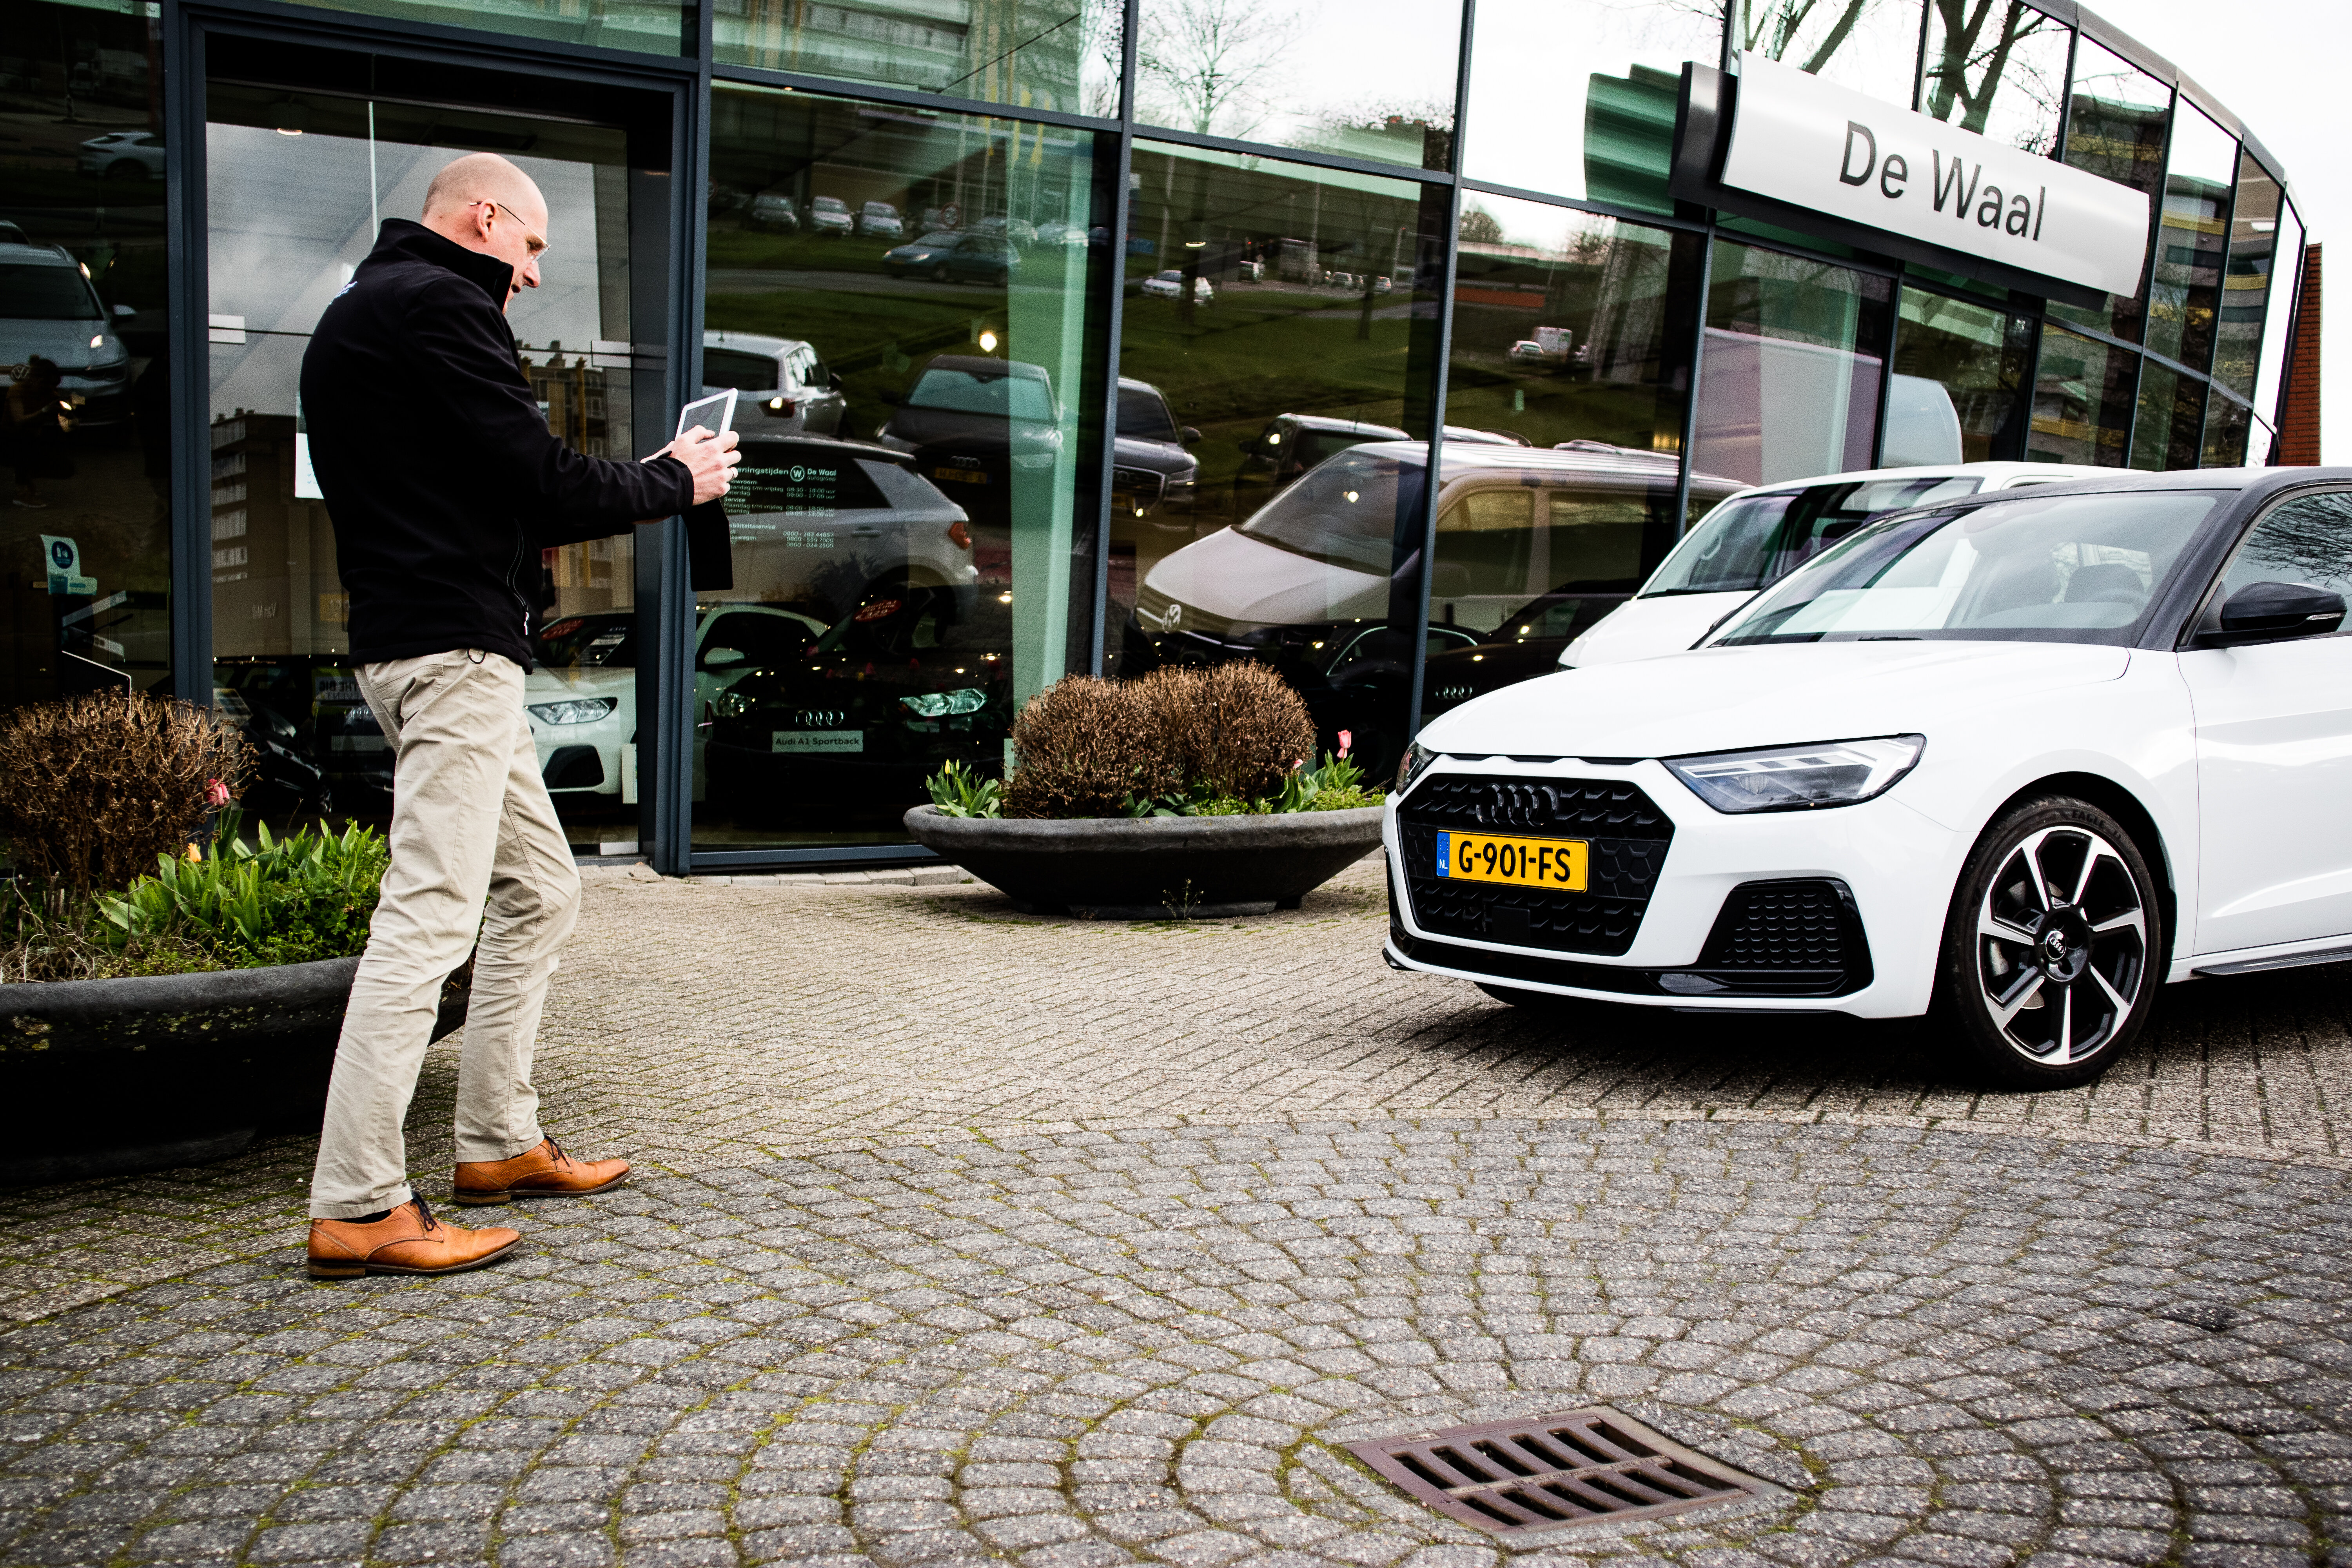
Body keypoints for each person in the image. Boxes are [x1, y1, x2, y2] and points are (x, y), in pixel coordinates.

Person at [297, 153, 738, 1281]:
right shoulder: (442, 305)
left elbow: (495, 480)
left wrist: (643, 475)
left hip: (424, 644)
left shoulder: (364, 317)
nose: (534, 275)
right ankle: (357, 1202)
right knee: (431, 918)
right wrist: (675, 481)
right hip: (450, 656)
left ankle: (496, 1144)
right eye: (532, 246)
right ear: (485, 218)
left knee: (540, 886)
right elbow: (540, 480)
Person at [5, 356, 70, 510]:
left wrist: (70, 405)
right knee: (23, 441)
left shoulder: (49, 394)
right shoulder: (17, 391)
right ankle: (22, 492)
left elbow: (72, 411)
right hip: (9, 438)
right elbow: (19, 421)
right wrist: (44, 411)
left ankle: (26, 477)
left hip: (32, 437)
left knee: (62, 461)